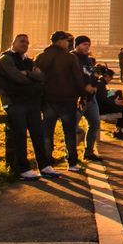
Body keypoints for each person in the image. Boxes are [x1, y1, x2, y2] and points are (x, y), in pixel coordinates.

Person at [0, 33, 56, 179]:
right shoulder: (6, 59)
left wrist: (27, 73)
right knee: (20, 136)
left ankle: (44, 166)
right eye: (22, 41)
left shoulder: (28, 61)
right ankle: (23, 169)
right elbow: (18, 78)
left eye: (27, 42)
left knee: (38, 134)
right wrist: (31, 78)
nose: (25, 44)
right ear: (13, 43)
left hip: (31, 103)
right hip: (14, 103)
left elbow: (42, 77)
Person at [35, 30, 86, 172]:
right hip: (67, 100)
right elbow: (77, 78)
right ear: (59, 41)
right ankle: (72, 162)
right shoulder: (69, 58)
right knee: (69, 132)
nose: (68, 43)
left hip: (48, 100)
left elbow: (36, 76)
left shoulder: (42, 56)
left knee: (47, 132)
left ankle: (46, 163)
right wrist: (83, 96)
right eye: (66, 41)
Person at [72, 35, 102, 163]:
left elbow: (91, 75)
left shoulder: (88, 60)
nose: (87, 47)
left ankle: (88, 151)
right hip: (78, 98)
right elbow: (73, 76)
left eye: (88, 45)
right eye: (84, 44)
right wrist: (84, 87)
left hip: (91, 99)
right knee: (72, 127)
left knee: (95, 123)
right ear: (77, 45)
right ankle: (71, 154)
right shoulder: (72, 58)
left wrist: (95, 84)